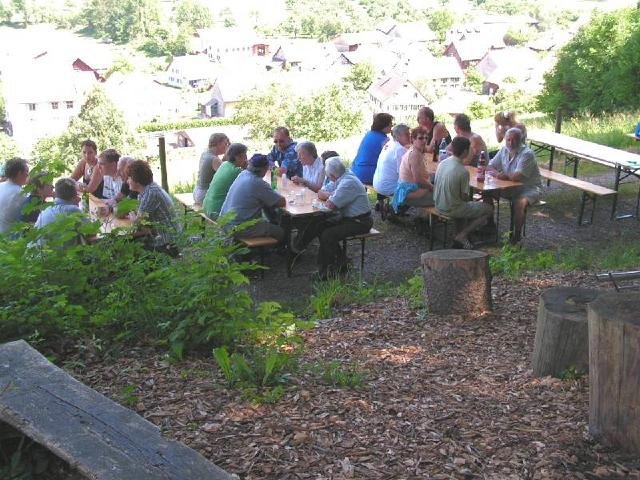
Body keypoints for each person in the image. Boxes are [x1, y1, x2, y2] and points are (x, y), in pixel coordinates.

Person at [292, 157, 372, 280]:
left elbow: (330, 205)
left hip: (360, 222)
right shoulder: (341, 176)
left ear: (332, 175)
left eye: (328, 176)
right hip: (350, 218)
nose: (328, 178)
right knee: (320, 225)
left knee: (328, 234)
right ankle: (340, 262)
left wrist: (329, 196)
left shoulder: (348, 182)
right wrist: (332, 194)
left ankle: (325, 272)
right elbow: (322, 191)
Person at [434, 136, 494, 249]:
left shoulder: (443, 163)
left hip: (438, 204)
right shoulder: (462, 171)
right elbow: (464, 197)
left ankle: (459, 233)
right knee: (489, 209)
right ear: (465, 151)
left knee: (464, 205)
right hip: (451, 208)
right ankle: (462, 235)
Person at [487, 127, 542, 244]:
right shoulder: (504, 150)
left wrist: (501, 175)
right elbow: (490, 166)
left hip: (529, 188)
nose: (511, 143)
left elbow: (517, 176)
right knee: (486, 192)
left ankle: (516, 236)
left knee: (519, 203)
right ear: (505, 139)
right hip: (509, 187)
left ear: (520, 140)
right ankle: (489, 225)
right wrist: (499, 174)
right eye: (508, 140)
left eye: (514, 140)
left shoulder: (527, 154)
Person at [219, 154, 286, 243]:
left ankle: (262, 247)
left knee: (266, 216)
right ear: (264, 169)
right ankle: (274, 250)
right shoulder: (257, 183)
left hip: (225, 221)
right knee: (279, 231)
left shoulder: (243, 174)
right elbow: (282, 202)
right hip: (239, 227)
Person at [126, 160, 180, 256]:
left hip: (167, 243)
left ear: (136, 180)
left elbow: (137, 224)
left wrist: (132, 216)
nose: (127, 181)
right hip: (161, 237)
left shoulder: (151, 193)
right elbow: (141, 220)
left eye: (129, 178)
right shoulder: (147, 190)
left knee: (128, 247)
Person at [392, 127, 434, 212]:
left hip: (410, 189)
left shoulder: (415, 150)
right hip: (410, 193)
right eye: (420, 138)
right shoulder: (415, 155)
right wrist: (432, 187)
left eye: (426, 138)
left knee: (436, 177)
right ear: (413, 139)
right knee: (443, 197)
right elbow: (418, 180)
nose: (424, 141)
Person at [202, 143, 249, 219]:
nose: (246, 159)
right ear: (237, 157)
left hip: (207, 207)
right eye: (245, 156)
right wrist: (246, 168)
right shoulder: (236, 171)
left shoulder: (224, 165)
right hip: (217, 211)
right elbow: (251, 184)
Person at [351, 112, 393, 185]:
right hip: (367, 174)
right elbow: (390, 159)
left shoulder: (369, 134)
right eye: (390, 123)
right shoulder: (384, 140)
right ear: (384, 125)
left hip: (356, 170)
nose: (392, 125)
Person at [372, 124, 411, 197]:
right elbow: (405, 173)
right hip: (388, 187)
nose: (410, 136)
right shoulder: (399, 150)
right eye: (406, 134)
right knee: (420, 186)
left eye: (409, 134)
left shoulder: (390, 143)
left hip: (377, 183)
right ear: (398, 136)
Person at [193, 132, 230, 205]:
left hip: (197, 192)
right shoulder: (214, 159)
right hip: (205, 195)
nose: (227, 146)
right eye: (225, 144)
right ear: (218, 144)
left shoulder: (205, 153)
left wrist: (225, 156)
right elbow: (227, 176)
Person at [0, 157, 29, 233]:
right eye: (27, 171)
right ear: (19, 173)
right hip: (10, 235)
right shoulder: (20, 193)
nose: (28, 175)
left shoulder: (1, 186)